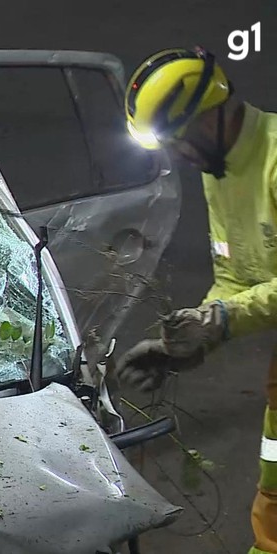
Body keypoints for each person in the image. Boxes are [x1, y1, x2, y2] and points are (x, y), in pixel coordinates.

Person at [116, 47, 277, 554]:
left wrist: (223, 319)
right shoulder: (221, 168)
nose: (177, 156)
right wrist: (188, 339)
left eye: (177, 141)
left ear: (209, 118)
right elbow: (237, 274)